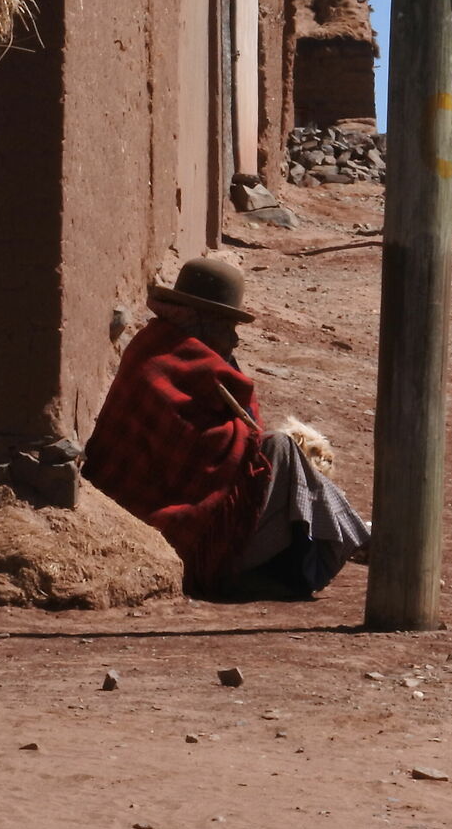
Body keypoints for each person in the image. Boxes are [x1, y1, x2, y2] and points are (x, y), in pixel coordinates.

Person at [85, 257, 370, 601]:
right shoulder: (182, 363)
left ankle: (350, 536)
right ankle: (346, 541)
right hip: (182, 531)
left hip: (159, 515)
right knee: (279, 449)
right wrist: (253, 440)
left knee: (281, 454)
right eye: (228, 326)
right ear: (204, 321)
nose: (234, 339)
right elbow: (216, 452)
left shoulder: (152, 346)